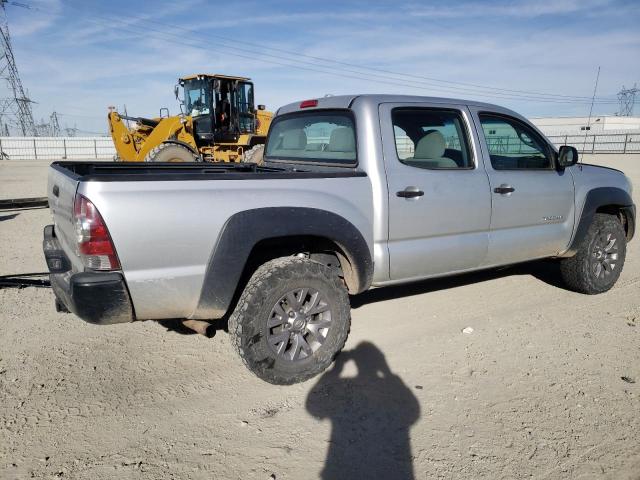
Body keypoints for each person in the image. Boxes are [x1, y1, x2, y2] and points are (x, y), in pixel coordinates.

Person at [306, 342, 420, 479]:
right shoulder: (393, 383)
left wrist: (337, 368)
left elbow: (312, 408)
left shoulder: (390, 383)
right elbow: (413, 413)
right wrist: (387, 372)